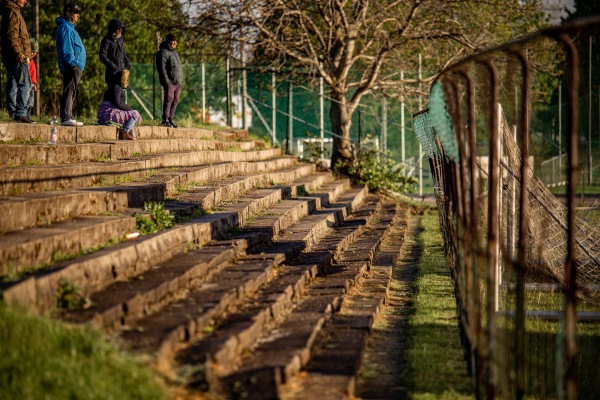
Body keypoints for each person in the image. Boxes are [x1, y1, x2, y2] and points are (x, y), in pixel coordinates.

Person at [0, 0, 35, 123]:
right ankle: (21, 113)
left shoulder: (9, 11)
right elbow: (12, 35)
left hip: (10, 56)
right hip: (17, 57)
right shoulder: (13, 12)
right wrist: (19, 53)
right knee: (25, 85)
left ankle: (13, 113)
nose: (26, 1)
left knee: (13, 85)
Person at [55, 3, 86, 126]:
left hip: (74, 65)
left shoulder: (70, 28)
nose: (78, 15)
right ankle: (66, 117)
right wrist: (74, 64)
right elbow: (67, 49)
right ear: (68, 13)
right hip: (71, 65)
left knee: (71, 90)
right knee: (69, 90)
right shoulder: (65, 28)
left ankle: (68, 116)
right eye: (75, 12)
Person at [96, 69, 141, 140]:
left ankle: (124, 131)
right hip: (109, 114)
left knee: (129, 114)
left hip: (106, 113)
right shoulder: (117, 87)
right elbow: (118, 103)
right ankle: (125, 132)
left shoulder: (113, 86)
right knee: (135, 114)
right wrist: (130, 109)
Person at [156, 33, 182, 128]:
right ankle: (165, 119)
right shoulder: (162, 52)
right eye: (172, 40)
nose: (175, 42)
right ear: (168, 42)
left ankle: (171, 119)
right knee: (169, 99)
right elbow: (161, 68)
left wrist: (180, 81)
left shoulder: (175, 53)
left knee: (175, 101)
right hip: (170, 82)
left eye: (175, 41)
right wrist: (166, 81)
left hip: (178, 82)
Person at [99, 18, 130, 86]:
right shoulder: (106, 40)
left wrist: (127, 65)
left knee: (121, 96)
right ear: (114, 29)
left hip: (122, 75)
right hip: (113, 75)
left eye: (121, 29)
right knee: (116, 95)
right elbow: (102, 56)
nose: (120, 30)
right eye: (119, 29)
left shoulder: (121, 40)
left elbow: (123, 54)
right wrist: (113, 66)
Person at [26, 37, 38, 120]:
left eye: (35, 52)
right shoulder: (26, 62)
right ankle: (25, 116)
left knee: (31, 103)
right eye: (32, 51)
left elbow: (33, 74)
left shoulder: (32, 61)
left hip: (32, 84)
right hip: (27, 84)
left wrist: (34, 83)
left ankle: (28, 116)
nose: (33, 53)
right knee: (26, 102)